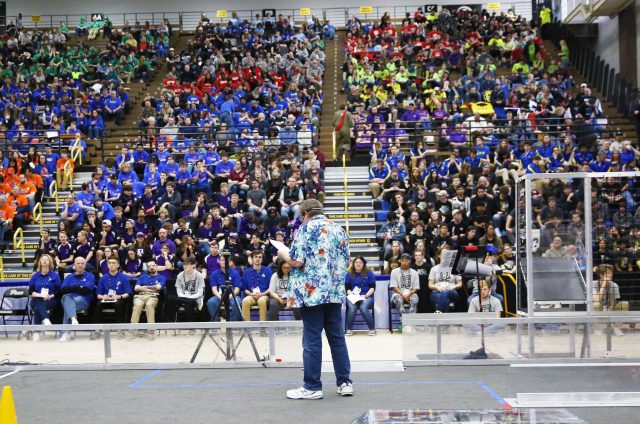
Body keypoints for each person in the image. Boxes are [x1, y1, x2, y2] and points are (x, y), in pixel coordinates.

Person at [279, 198, 352, 400]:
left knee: (312, 338)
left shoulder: (305, 229)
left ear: (305, 214)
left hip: (311, 293)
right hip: (334, 292)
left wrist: (284, 254)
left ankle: (312, 386)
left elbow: (297, 261)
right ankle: (344, 382)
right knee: (337, 337)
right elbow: (347, 262)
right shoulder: (339, 229)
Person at [91, 257, 131, 340]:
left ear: (118, 265)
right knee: (98, 304)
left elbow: (128, 293)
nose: (111, 265)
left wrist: (119, 296)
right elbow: (98, 295)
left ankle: (120, 330)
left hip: (118, 299)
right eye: (109, 263)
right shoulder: (103, 278)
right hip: (106, 299)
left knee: (118, 304)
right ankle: (97, 330)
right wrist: (103, 296)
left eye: (113, 263)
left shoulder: (124, 277)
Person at [58, 257, 96, 342]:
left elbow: (87, 290)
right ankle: (73, 318)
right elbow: (63, 290)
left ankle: (65, 333)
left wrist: (72, 288)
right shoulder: (69, 277)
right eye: (78, 263)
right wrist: (79, 287)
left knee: (66, 303)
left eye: (82, 263)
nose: (80, 265)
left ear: (85, 265)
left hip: (83, 300)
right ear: (74, 265)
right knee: (66, 298)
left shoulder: (90, 276)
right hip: (68, 299)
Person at [28, 254, 62, 341]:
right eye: (42, 259)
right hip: (36, 298)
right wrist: (41, 295)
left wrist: (50, 296)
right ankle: (46, 319)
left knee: (37, 309)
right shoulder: (35, 276)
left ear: (50, 263)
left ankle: (36, 332)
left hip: (51, 300)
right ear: (40, 262)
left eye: (46, 259)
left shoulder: (55, 275)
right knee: (37, 301)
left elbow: (59, 291)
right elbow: (30, 292)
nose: (44, 261)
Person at [164, 256, 205, 326]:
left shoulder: (199, 276)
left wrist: (190, 298)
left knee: (189, 304)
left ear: (193, 266)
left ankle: (191, 328)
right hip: (183, 297)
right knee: (170, 298)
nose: (184, 266)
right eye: (184, 264)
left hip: (195, 298)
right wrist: (186, 298)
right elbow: (179, 292)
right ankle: (171, 324)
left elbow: (200, 293)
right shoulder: (180, 275)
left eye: (187, 264)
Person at [131, 259, 166, 338]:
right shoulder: (142, 277)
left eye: (153, 265)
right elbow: (136, 288)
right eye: (149, 266)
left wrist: (143, 287)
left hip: (153, 296)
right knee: (137, 305)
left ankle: (151, 331)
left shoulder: (162, 277)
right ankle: (133, 330)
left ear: (156, 266)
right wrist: (152, 287)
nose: (151, 267)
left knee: (149, 305)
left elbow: (159, 287)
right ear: (147, 268)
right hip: (140, 296)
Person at [344, 256, 376, 335]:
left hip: (367, 296)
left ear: (364, 264)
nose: (358, 264)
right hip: (352, 296)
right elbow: (347, 288)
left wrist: (365, 296)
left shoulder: (369, 273)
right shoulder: (349, 274)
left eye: (360, 262)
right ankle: (349, 329)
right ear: (353, 264)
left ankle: (372, 329)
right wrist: (353, 296)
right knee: (352, 307)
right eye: (356, 262)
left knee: (363, 307)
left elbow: (372, 288)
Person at [206, 255, 242, 322]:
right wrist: (221, 297)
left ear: (230, 262)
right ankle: (216, 323)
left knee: (237, 302)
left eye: (226, 260)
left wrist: (230, 296)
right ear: (219, 261)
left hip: (232, 295)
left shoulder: (235, 273)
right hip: (219, 296)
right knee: (210, 302)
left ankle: (233, 323)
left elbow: (237, 289)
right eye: (222, 260)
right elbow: (214, 290)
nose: (224, 262)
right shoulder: (214, 273)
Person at [241, 250, 272, 321]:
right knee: (245, 301)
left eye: (260, 257)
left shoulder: (268, 270)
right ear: (252, 259)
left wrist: (262, 294)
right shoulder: (246, 272)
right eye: (256, 257)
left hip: (264, 295)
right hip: (251, 295)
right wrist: (251, 294)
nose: (258, 259)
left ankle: (262, 327)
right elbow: (244, 288)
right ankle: (247, 327)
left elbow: (271, 288)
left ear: (262, 259)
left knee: (261, 301)